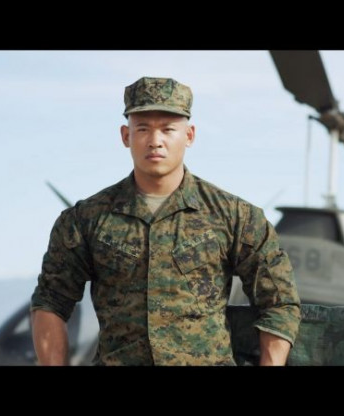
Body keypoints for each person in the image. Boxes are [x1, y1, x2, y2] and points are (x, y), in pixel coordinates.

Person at [30, 77, 301, 366]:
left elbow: (279, 302)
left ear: (189, 135)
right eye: (143, 129)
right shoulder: (85, 220)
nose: (155, 141)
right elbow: (50, 302)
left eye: (168, 129)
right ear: (125, 136)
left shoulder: (236, 217)